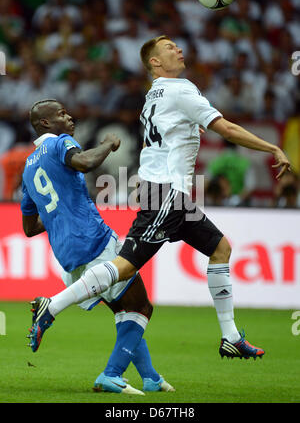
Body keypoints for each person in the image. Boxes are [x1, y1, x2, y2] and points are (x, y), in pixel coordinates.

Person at [30, 36, 291, 363]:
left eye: (178, 46)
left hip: (168, 193)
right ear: (154, 62)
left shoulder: (152, 96)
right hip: (166, 193)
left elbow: (164, 138)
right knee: (124, 267)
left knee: (220, 248)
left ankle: (231, 337)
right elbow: (225, 128)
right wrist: (272, 147)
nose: (179, 49)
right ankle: (50, 307)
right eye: (169, 48)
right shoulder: (181, 88)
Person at [21, 99, 174, 394]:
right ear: (45, 124)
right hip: (93, 239)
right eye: (61, 114)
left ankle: (151, 377)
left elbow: (29, 228)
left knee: (123, 309)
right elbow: (86, 162)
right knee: (141, 308)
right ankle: (110, 373)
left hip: (66, 253)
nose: (69, 117)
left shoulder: (28, 169)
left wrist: (56, 216)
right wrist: (108, 143)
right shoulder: (59, 143)